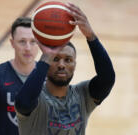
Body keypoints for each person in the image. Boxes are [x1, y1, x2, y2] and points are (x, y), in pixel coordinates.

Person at [14, 3, 115, 135]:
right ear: (46, 62)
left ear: (75, 65)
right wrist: (46, 56)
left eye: (68, 60)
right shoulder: (36, 98)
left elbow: (107, 79)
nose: (61, 65)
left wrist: (91, 37)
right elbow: (23, 103)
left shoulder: (82, 95)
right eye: (55, 59)